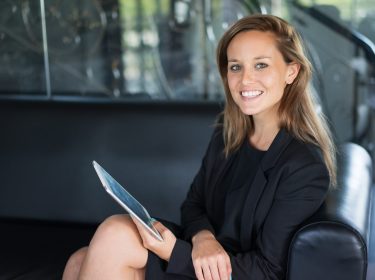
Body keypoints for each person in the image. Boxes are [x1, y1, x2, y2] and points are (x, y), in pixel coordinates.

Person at [62, 14, 336, 280]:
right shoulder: (228, 133)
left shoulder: (304, 166)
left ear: (292, 71)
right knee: (80, 260)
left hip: (235, 273)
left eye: (261, 65)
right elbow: (193, 205)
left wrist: (172, 251)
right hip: (200, 256)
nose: (245, 80)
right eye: (235, 66)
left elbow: (268, 271)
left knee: (115, 235)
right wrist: (204, 239)